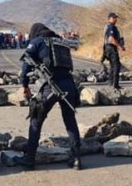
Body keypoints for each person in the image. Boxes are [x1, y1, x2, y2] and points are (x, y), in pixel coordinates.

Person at [15, 23, 82, 171]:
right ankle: (76, 158)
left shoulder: (37, 41)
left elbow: (26, 65)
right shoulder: (62, 42)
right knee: (70, 121)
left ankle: (29, 159)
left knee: (35, 120)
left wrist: (24, 85)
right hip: (69, 85)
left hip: (50, 86)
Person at [102, 12, 125, 89]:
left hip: (107, 48)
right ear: (110, 19)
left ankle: (111, 83)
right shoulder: (112, 27)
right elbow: (111, 38)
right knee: (116, 66)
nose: (115, 19)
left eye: (116, 18)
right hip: (111, 48)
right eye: (114, 18)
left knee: (112, 66)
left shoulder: (108, 26)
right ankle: (115, 85)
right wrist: (120, 46)